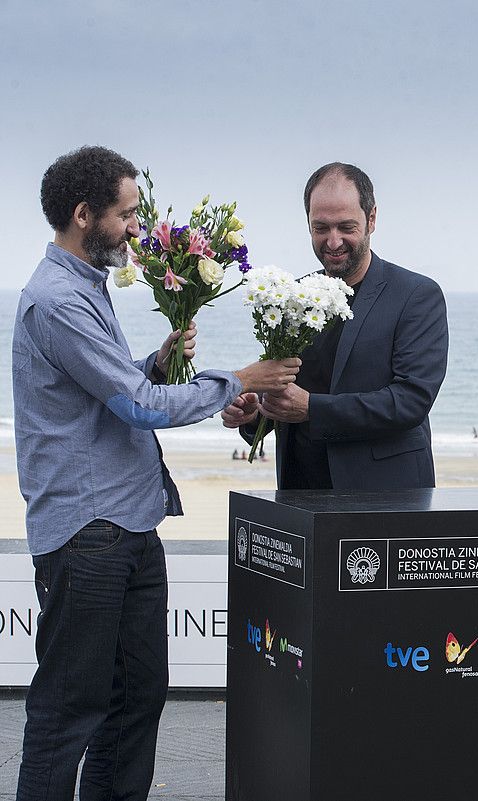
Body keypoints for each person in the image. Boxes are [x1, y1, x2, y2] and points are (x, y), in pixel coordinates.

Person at [13, 145, 301, 801]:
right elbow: (137, 408)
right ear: (85, 215)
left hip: (127, 522)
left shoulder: (85, 287)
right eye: (127, 213)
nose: (138, 229)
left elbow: (109, 390)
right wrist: (238, 379)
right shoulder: (56, 299)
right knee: (67, 714)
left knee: (137, 700)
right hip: (89, 534)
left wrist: (158, 357)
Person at [221, 162, 448, 490]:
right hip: (300, 489)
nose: (333, 241)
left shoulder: (416, 295)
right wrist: (255, 411)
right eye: (321, 228)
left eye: (346, 227)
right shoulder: (293, 294)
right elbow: (284, 383)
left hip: (386, 494)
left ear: (371, 219)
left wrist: (312, 408)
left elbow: (410, 401)